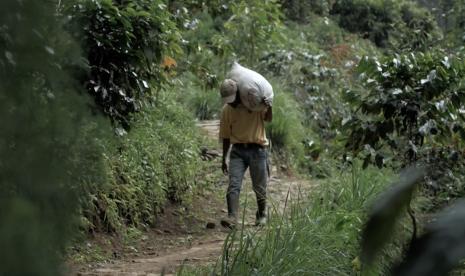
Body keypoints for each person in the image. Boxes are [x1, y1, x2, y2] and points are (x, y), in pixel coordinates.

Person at [218, 79, 272, 228]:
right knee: (233, 185)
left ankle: (261, 214)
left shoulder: (254, 104)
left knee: (260, 187)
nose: (230, 103)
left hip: (258, 150)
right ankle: (232, 218)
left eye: (232, 99)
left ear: (238, 94)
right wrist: (224, 158)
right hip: (238, 152)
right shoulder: (227, 110)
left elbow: (268, 119)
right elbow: (226, 137)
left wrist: (269, 106)